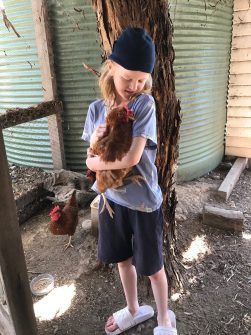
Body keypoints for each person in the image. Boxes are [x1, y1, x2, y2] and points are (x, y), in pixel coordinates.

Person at [82, 27, 177, 335]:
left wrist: (94, 163)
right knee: (123, 261)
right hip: (111, 202)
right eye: (128, 78)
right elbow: (88, 154)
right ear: (111, 68)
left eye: (141, 79)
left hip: (143, 203)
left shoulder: (143, 106)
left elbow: (133, 158)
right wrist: (94, 147)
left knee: (153, 267)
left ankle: (164, 319)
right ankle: (134, 309)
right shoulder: (96, 110)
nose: (134, 86)